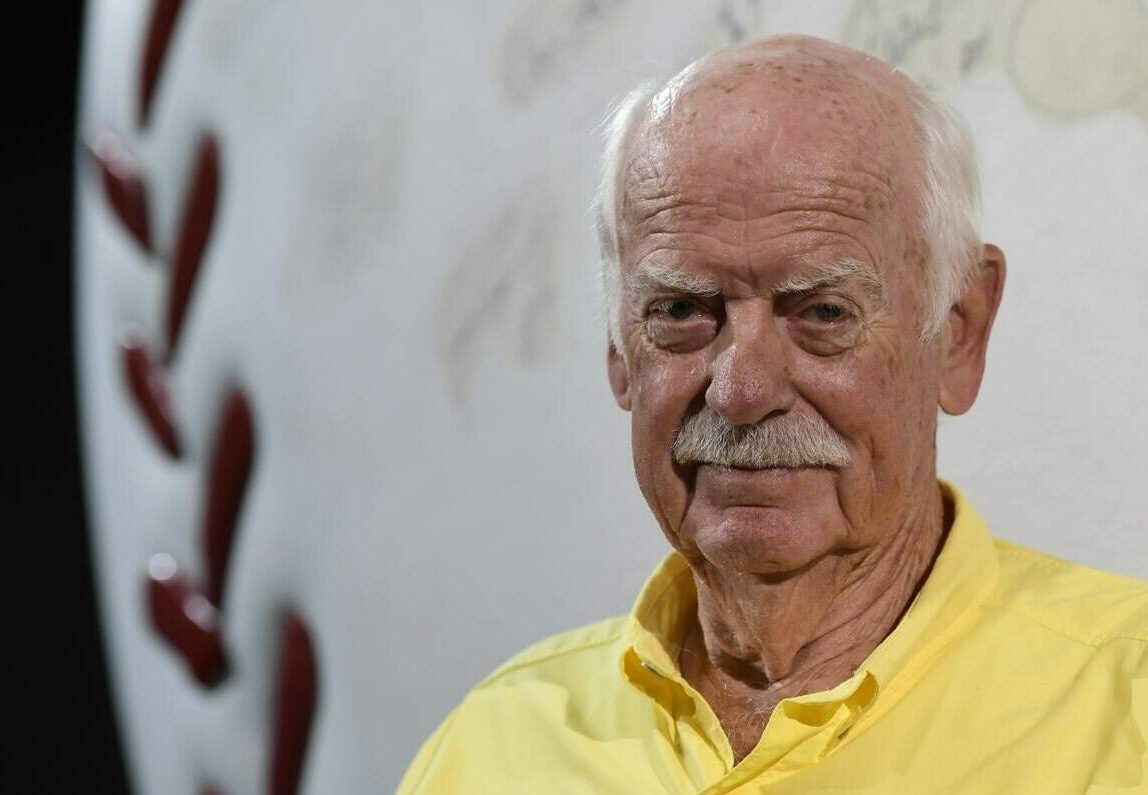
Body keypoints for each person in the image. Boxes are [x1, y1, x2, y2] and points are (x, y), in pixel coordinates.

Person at [397, 34, 1147, 794]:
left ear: (958, 333)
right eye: (681, 310)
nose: (741, 389)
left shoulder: (1126, 702)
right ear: (620, 351)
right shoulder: (493, 746)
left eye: (822, 310)